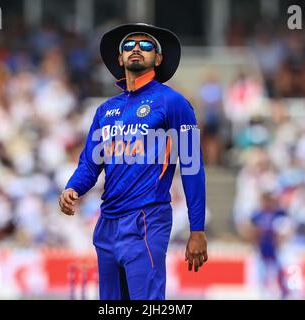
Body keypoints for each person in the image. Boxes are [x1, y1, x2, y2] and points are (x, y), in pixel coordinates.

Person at [59, 23, 207, 300]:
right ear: (119, 59)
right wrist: (73, 188)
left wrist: (197, 229)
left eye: (146, 45)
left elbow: (192, 167)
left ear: (158, 59)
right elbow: (90, 165)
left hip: (147, 219)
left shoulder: (173, 103)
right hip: (107, 224)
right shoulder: (105, 110)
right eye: (128, 46)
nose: (136, 49)